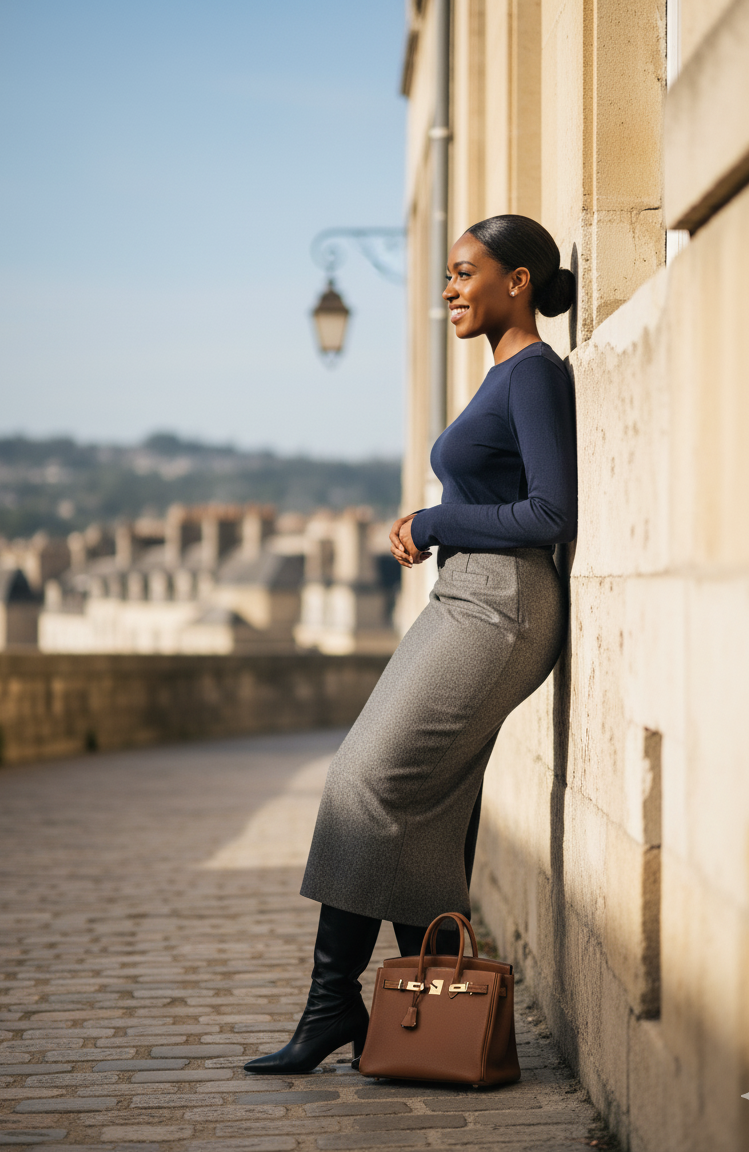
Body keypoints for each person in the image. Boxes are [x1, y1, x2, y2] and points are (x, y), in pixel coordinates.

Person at [244, 214, 577, 1075]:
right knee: (415, 803)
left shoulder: (534, 375)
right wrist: (442, 531)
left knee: (364, 780)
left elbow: (550, 512)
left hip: (503, 604)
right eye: (446, 276)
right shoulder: (501, 378)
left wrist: (434, 519)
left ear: (520, 283)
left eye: (467, 273)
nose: (449, 290)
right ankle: (414, 1012)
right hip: (465, 595)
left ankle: (334, 1005)